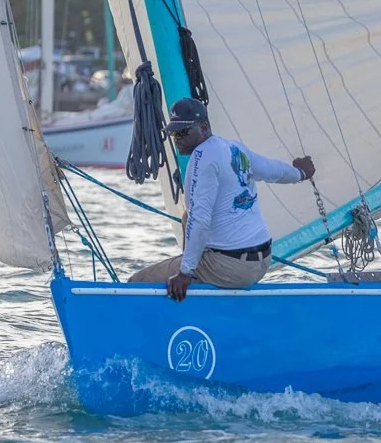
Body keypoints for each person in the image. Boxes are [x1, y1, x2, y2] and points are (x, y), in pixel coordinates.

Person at [128, 97, 315, 300]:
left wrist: (184, 273)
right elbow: (272, 170)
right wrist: (301, 173)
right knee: (186, 217)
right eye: (174, 132)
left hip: (232, 268)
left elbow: (200, 219)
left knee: (137, 282)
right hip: (262, 262)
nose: (177, 138)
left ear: (204, 128)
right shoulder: (234, 148)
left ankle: (185, 291)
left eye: (183, 131)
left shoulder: (203, 156)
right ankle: (194, 281)